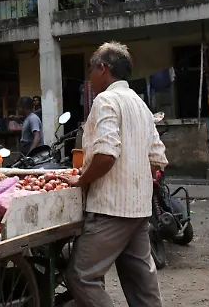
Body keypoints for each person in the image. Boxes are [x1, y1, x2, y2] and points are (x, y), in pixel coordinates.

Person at [60, 42, 168, 307]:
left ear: (103, 68)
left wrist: (81, 179)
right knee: (143, 286)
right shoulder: (140, 105)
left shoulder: (106, 100)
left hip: (110, 209)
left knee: (81, 276)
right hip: (139, 210)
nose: (90, 78)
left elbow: (106, 155)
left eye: (91, 70)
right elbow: (158, 159)